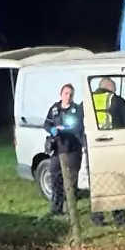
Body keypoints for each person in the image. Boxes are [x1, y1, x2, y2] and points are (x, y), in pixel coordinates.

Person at [88, 78, 125, 227]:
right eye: (115, 89)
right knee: (117, 184)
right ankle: (119, 219)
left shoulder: (87, 100)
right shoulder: (117, 100)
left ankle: (97, 218)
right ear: (110, 88)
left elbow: (80, 125)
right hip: (113, 147)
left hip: (94, 148)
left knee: (98, 184)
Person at [43, 83, 84, 217]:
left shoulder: (76, 109)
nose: (68, 96)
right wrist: (52, 129)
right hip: (58, 148)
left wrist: (67, 129)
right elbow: (46, 123)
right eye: (66, 93)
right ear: (61, 94)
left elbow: (78, 127)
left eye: (71, 94)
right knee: (55, 178)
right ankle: (56, 208)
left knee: (72, 180)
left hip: (73, 148)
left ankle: (72, 209)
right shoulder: (54, 109)